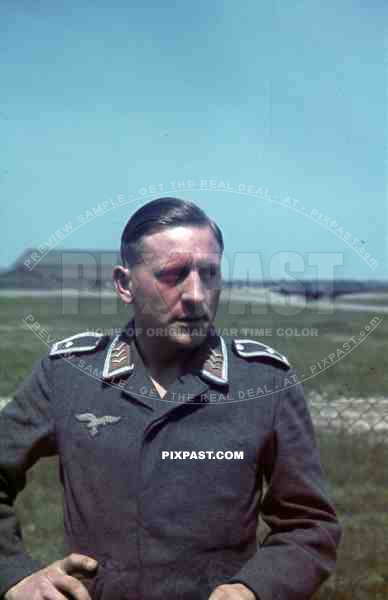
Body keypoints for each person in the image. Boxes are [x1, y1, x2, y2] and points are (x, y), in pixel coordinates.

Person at [0, 197, 341, 600]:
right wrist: (15, 576)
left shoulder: (265, 382)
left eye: (209, 273)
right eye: (173, 274)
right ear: (125, 284)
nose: (196, 293)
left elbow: (309, 524)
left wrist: (253, 590)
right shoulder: (68, 374)